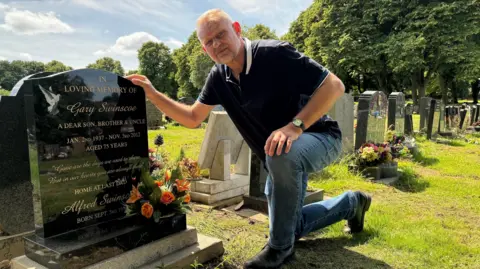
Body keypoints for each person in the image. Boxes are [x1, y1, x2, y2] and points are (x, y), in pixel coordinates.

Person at [126, 8, 372, 269]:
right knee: (290, 225)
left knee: (281, 187)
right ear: (203, 50)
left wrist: (294, 126)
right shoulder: (218, 77)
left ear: (236, 28)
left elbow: (334, 85)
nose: (217, 44)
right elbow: (192, 117)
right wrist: (152, 93)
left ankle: (280, 250)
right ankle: (353, 203)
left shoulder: (274, 54)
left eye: (221, 34)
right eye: (208, 42)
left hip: (319, 137)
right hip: (279, 156)